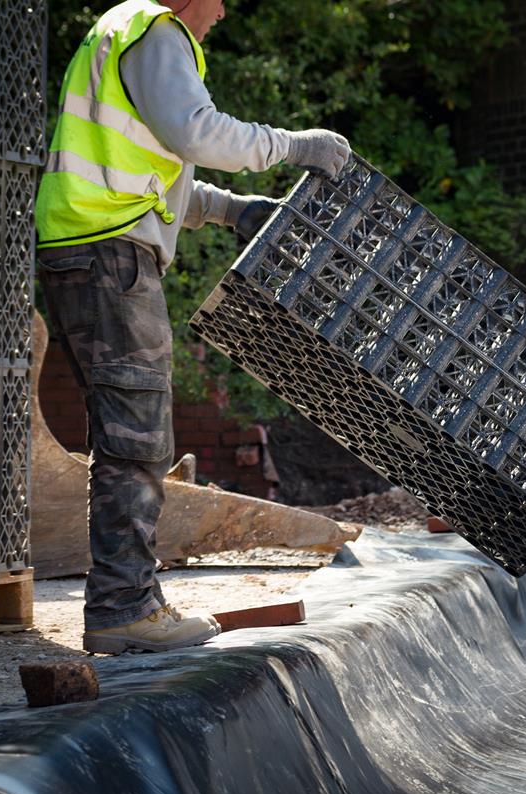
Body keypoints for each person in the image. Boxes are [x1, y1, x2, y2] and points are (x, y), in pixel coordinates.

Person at [34, 0, 351, 654]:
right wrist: (297, 146)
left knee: (126, 436)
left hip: (86, 249)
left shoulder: (121, 33)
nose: (227, 10)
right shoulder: (159, 32)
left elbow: (150, 171)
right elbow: (198, 134)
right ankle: (125, 610)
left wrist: (230, 210)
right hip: (111, 254)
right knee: (138, 440)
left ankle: (129, 602)